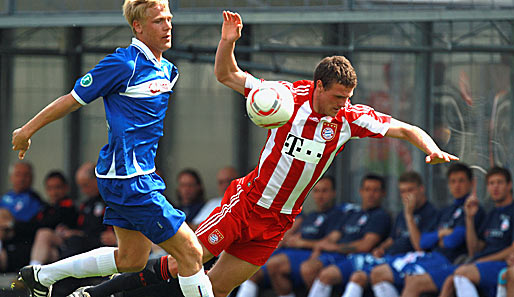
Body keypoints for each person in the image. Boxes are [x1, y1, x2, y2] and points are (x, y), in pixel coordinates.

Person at [68, 10, 458, 297]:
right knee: (184, 262)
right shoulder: (283, 98)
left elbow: (404, 128)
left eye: (349, 98)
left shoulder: (349, 119)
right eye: (338, 96)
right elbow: (226, 75)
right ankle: (100, 293)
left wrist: (432, 148)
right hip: (246, 203)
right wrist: (228, 41)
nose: (344, 104)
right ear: (319, 86)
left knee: (216, 290)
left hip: (278, 221)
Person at [11, 1, 214, 297]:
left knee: (132, 259)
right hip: (127, 179)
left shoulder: (167, 70)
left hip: (136, 176)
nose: (168, 26)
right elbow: (72, 98)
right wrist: (27, 130)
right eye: (159, 21)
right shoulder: (123, 64)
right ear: (138, 27)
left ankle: (41, 276)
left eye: (169, 19)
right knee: (191, 252)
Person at [307, 171, 439, 297]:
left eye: (410, 190)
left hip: (410, 260)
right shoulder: (399, 214)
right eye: (403, 191)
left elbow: (419, 246)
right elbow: (393, 238)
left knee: (361, 276)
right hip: (388, 257)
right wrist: (381, 248)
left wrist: (409, 215)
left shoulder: (430, 212)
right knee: (327, 273)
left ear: (421, 189)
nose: (407, 195)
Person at [373, 162, 485, 297]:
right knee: (377, 273)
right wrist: (442, 234)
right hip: (430, 257)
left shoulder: (473, 209)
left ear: (471, 183)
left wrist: (436, 239)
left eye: (461, 181)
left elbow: (452, 241)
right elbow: (423, 242)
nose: (457, 185)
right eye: (453, 181)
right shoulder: (445, 210)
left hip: (451, 262)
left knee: (413, 281)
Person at [235, 175, 342, 297]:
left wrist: (301, 243)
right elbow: (293, 237)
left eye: (324, 191)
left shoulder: (337, 214)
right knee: (250, 268)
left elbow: (330, 242)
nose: (320, 196)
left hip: (315, 255)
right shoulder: (311, 216)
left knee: (274, 264)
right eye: (316, 191)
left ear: (334, 193)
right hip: (294, 253)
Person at [289, 174, 390, 297]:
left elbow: (365, 245)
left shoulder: (380, 216)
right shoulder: (352, 213)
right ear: (361, 191)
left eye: (375, 190)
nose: (370, 194)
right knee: (308, 267)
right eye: (367, 189)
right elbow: (333, 236)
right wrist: (319, 247)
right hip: (338, 255)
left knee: (325, 274)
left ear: (383, 193)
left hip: (357, 258)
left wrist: (334, 247)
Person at [439, 166, 514, 297]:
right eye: (491, 183)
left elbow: (511, 250)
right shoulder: (491, 214)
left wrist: (482, 260)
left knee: (461, 274)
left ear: (509, 185)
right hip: (482, 264)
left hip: (502, 264)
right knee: (453, 278)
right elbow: (474, 249)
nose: (495, 187)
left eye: (500, 182)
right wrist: (469, 218)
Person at [0, 162, 44, 272]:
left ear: (32, 178)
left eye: (26, 175)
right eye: (18, 174)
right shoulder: (5, 197)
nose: (22, 179)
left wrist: (9, 224)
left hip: (19, 242)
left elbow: (32, 226)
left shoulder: (35, 200)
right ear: (11, 177)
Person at [29, 171, 79, 266]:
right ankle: (32, 272)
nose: (54, 192)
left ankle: (31, 272)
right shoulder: (46, 208)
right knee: (48, 252)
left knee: (44, 234)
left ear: (66, 188)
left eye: (57, 187)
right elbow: (33, 224)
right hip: (54, 250)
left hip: (68, 246)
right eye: (50, 188)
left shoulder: (70, 206)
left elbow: (52, 221)